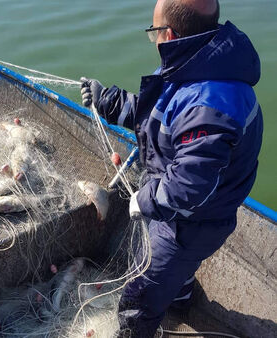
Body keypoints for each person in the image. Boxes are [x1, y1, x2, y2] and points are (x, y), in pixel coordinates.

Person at [80, 0, 263, 337]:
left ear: (169, 34)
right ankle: (179, 296)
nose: (154, 41)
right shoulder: (200, 64)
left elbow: (187, 189)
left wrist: (145, 201)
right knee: (177, 271)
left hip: (187, 224)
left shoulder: (209, 106)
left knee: (139, 299)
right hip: (195, 214)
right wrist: (107, 100)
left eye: (154, 33)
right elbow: (159, 116)